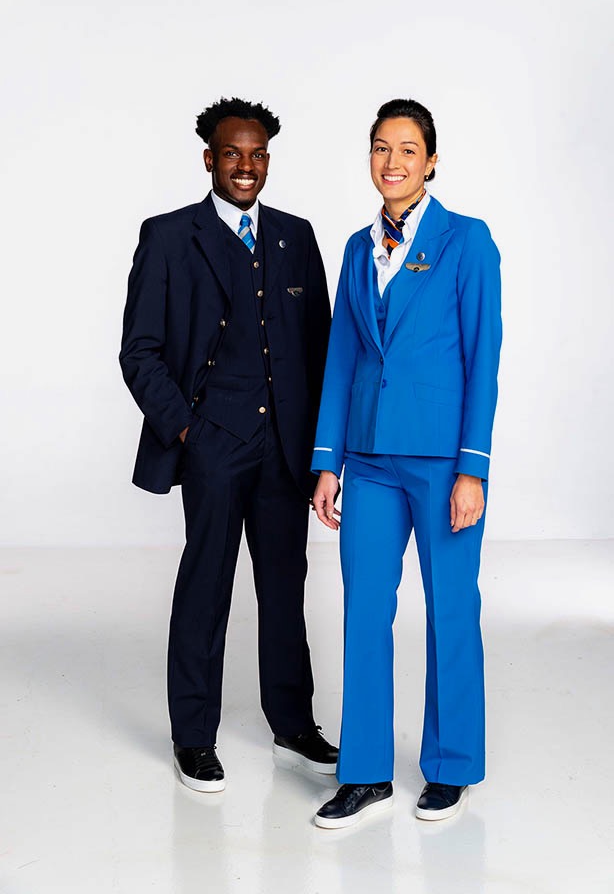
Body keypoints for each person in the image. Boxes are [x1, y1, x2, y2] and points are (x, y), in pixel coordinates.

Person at [119, 97, 337, 792]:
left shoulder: (296, 237)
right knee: (206, 585)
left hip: (283, 449)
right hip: (213, 444)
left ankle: (293, 726)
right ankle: (192, 736)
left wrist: (323, 451)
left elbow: (321, 349)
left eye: (258, 154)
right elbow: (140, 352)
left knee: (285, 587)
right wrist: (187, 428)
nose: (247, 166)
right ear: (209, 158)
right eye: (233, 154)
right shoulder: (168, 237)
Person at [311, 98, 502, 828]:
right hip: (368, 458)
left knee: (452, 606)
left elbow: (483, 360)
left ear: (430, 161)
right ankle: (364, 774)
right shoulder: (359, 249)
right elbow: (344, 356)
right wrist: (328, 461)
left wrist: (473, 468)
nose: (392, 162)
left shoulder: (467, 241)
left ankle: (450, 765)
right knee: (365, 608)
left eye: (408, 149)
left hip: (441, 460)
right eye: (381, 148)